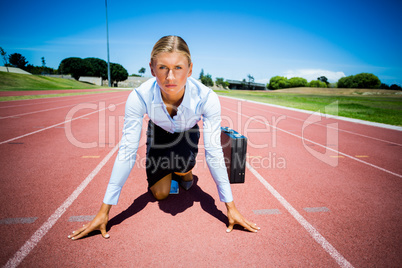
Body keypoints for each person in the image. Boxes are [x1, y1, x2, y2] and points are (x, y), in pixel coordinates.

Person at [68, 35, 259, 240]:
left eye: (178, 67)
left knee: (184, 171)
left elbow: (213, 152)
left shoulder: (207, 98)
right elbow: (127, 151)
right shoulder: (139, 96)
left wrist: (230, 206)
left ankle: (184, 171)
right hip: (158, 132)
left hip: (187, 133)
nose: (170, 77)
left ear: (190, 69)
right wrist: (104, 211)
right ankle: (169, 170)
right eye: (162, 68)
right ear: (152, 69)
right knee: (160, 194)